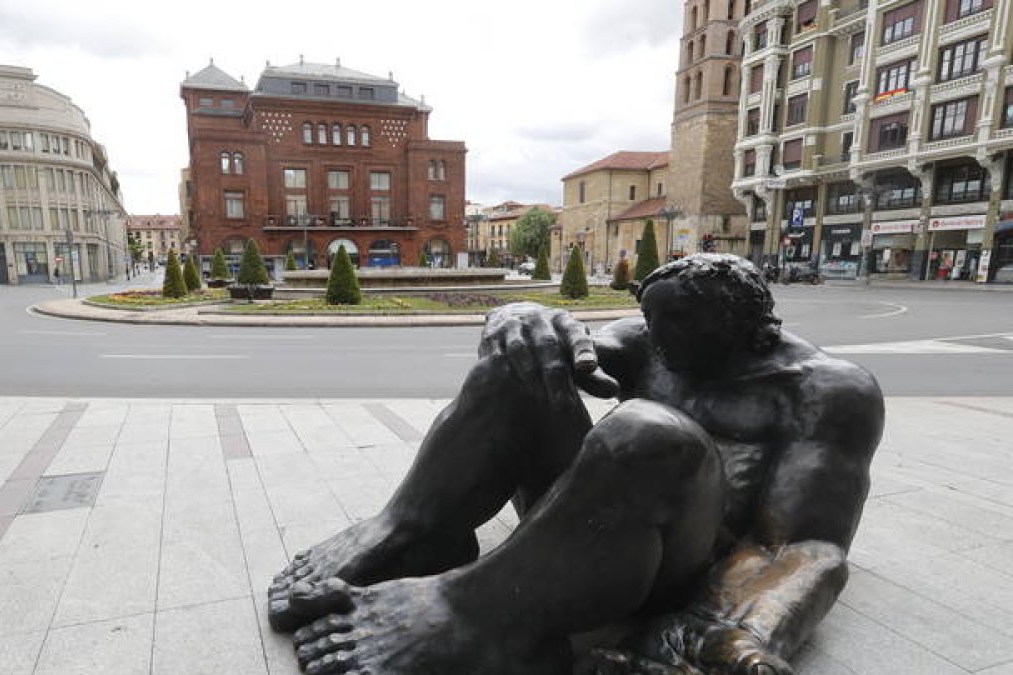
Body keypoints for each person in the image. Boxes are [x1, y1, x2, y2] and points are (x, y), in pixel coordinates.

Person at [268, 254, 883, 675]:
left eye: (679, 324)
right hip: (590, 524)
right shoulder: (656, 339)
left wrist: (726, 634)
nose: (658, 338)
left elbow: (804, 548)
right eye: (651, 318)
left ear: (737, 322)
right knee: (522, 363)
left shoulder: (827, 392)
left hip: (683, 566)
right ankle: (412, 530)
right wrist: (519, 316)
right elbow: (568, 345)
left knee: (648, 431)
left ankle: (477, 615)